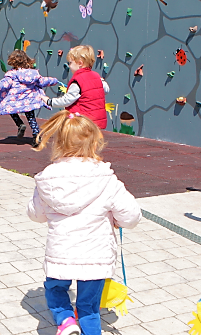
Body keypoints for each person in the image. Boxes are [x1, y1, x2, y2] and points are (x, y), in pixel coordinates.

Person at [28, 110, 142, 335]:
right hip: (95, 256)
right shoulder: (107, 179)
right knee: (89, 308)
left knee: (55, 289)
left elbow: (36, 215)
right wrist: (117, 219)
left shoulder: (47, 179)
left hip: (60, 253)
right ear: (95, 144)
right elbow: (131, 216)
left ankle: (66, 320)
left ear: (58, 143)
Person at [0, 50, 61, 147]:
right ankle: (36, 135)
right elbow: (42, 81)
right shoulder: (33, 74)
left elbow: (3, 84)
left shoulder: (12, 74)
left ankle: (20, 124)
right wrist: (54, 80)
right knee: (31, 117)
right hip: (29, 100)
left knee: (11, 110)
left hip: (15, 100)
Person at [44, 45, 109, 130]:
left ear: (80, 63)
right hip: (97, 122)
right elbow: (106, 90)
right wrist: (100, 80)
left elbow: (67, 100)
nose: (69, 66)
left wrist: (49, 101)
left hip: (81, 122)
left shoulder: (78, 81)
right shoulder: (97, 77)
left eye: (70, 63)